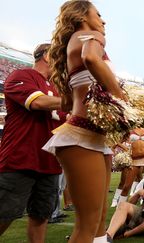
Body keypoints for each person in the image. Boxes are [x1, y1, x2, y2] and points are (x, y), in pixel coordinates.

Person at [43, 1, 127, 242]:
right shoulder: (92, 36)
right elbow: (91, 58)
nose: (103, 20)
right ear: (82, 15)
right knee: (87, 226)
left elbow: (68, 103)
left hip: (95, 138)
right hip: (81, 137)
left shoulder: (73, 42)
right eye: (98, 14)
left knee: (99, 223)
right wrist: (122, 100)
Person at [0, 43, 65, 242]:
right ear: (46, 55)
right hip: (20, 159)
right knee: (4, 214)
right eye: (59, 55)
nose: (62, 60)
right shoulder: (22, 75)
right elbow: (38, 102)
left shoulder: (58, 88)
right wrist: (76, 100)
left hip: (49, 162)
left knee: (41, 216)